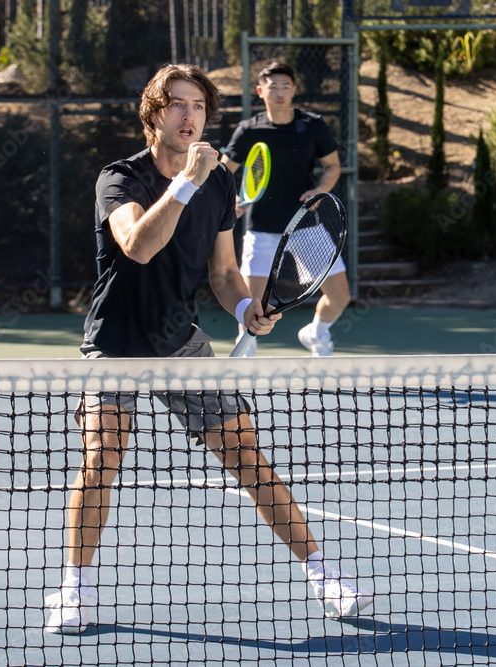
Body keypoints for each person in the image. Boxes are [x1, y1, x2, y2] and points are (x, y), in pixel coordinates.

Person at [43, 63, 372, 635]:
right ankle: (73, 588)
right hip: (117, 344)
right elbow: (139, 247)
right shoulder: (118, 179)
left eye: (197, 105)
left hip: (181, 341)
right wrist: (186, 183)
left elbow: (223, 273)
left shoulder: (219, 182)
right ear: (153, 114)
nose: (188, 114)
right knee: (101, 459)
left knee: (246, 456)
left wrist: (247, 309)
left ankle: (323, 574)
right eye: (176, 104)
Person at [221, 61, 350, 357]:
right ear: (260, 91)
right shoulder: (248, 130)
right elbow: (224, 173)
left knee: (340, 296)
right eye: (273, 86)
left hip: (307, 227)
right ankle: (246, 357)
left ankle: (316, 333)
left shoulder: (313, 126)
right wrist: (231, 203)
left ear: (294, 91)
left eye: (285, 87)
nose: (279, 92)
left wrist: (320, 190)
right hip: (261, 229)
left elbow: (332, 166)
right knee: (251, 306)